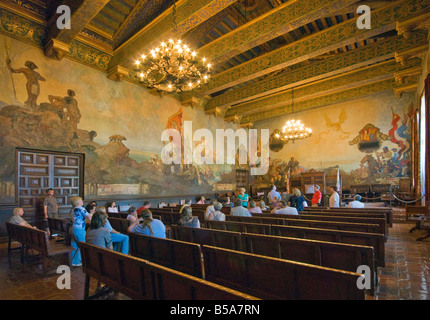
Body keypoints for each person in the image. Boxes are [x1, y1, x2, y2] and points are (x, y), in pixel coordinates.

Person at [71, 197, 89, 267]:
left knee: (74, 244)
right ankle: (77, 261)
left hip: (73, 228)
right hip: (80, 229)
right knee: (83, 244)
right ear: (78, 202)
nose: (82, 201)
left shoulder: (73, 209)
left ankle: (73, 260)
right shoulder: (81, 208)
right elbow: (89, 216)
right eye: (81, 200)